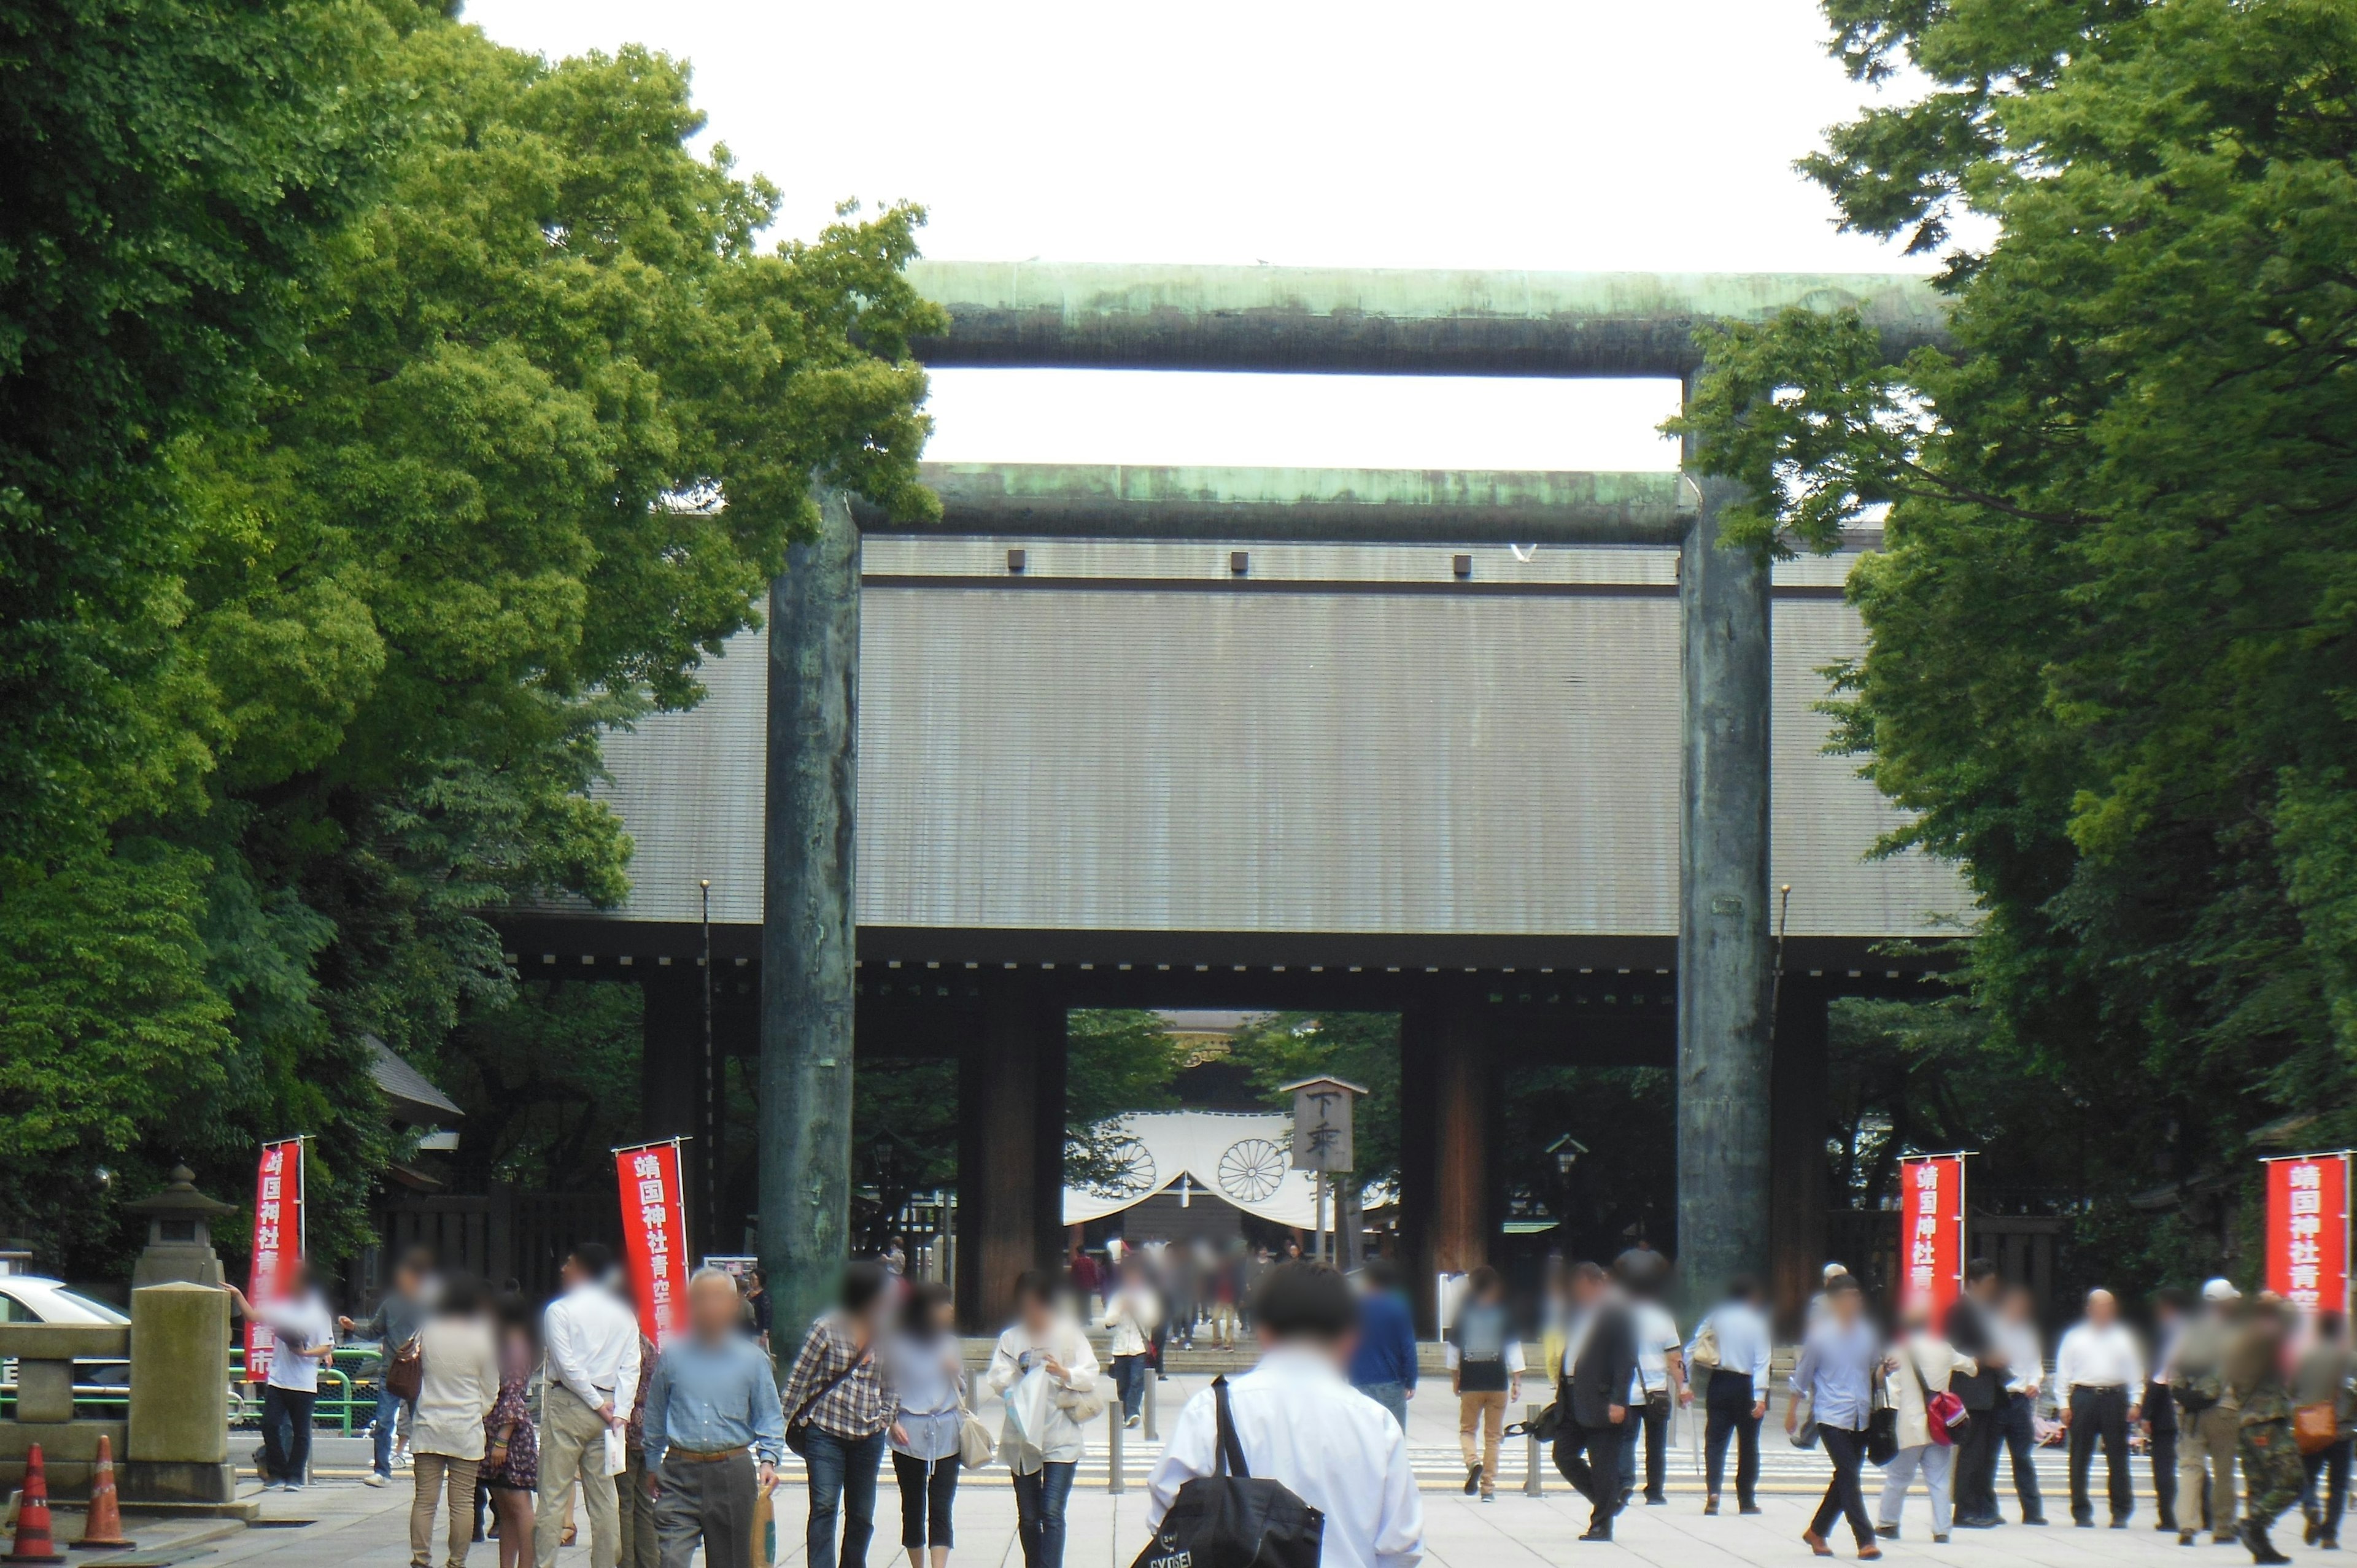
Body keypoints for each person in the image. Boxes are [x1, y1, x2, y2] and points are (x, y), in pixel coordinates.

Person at [1145, 1262, 1424, 1568]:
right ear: (1350, 1337)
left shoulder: (1210, 1409)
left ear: (1264, 1330)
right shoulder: (1376, 1424)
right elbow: (1401, 1547)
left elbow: (1168, 1516)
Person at [643, 1268, 786, 1568]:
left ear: (734, 1305)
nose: (709, 1306)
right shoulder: (672, 1355)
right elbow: (655, 1412)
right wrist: (653, 1462)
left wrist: (768, 1461)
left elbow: (769, 1416)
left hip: (732, 1472)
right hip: (680, 1472)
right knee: (671, 1558)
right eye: (700, 1299)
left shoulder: (752, 1360)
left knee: (731, 1561)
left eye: (717, 1298)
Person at [780, 1261, 898, 1568]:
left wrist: (885, 1417)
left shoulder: (885, 1332)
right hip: (826, 1431)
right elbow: (799, 1378)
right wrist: (780, 1422)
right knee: (824, 1506)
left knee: (861, 1513)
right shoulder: (827, 1327)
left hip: (869, 1435)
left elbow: (893, 1382)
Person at [533, 1242, 643, 1568]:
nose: (564, 1269)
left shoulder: (559, 1311)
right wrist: (619, 1411)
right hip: (609, 1410)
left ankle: (545, 1563)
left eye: (569, 1262)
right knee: (605, 1497)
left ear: (581, 1269)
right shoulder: (623, 1313)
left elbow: (567, 1367)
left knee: (553, 1494)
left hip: (570, 1405)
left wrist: (596, 1404)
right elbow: (631, 1365)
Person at [982, 1270, 1099, 1568]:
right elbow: (997, 1377)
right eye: (1025, 1305)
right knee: (1030, 1517)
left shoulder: (1068, 1334)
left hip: (1061, 1434)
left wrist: (1064, 1373)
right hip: (1022, 1436)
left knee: (1052, 1511)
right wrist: (1019, 1370)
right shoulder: (1012, 1338)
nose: (1032, 1312)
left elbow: (1091, 1372)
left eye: (1037, 1305)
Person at [408, 1275, 502, 1568]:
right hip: (466, 1428)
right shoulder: (482, 1336)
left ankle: (421, 1559)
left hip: (428, 1424)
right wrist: (477, 1411)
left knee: (425, 1500)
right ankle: (456, 1561)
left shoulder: (429, 1330)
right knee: (461, 1503)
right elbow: (491, 1389)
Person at [223, 1260, 338, 1493]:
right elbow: (253, 1317)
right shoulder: (282, 1307)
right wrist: (237, 1295)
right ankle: (277, 1472)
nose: (291, 1285)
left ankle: (295, 1476)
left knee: (301, 1431)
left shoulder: (319, 1314)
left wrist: (305, 1352)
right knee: (270, 1425)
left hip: (304, 1381)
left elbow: (328, 1346)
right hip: (279, 1377)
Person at [1789, 1273, 1881, 1559]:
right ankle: (1865, 1540)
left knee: (1846, 1476)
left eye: (1856, 1297)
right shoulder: (1820, 1336)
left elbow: (1874, 1371)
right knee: (1850, 1475)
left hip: (1861, 1414)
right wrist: (1791, 1411)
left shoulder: (1869, 1333)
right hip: (1830, 1415)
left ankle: (1817, 1531)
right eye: (1846, 1298)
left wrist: (1887, 1367)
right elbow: (1802, 1376)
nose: (1852, 1303)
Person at [1873, 1299, 1977, 1543]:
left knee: (1898, 1478)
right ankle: (1942, 1530)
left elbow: (1892, 1389)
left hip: (1908, 1426)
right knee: (1939, 1480)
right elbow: (1971, 1367)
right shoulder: (1944, 1348)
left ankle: (1888, 1524)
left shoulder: (1897, 1351)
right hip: (1940, 1426)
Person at [1552, 1260, 1635, 1542]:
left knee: (1604, 1465)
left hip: (1602, 1400)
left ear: (1598, 1284)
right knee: (1563, 1454)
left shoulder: (1617, 1314)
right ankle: (1609, 1503)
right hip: (1573, 1397)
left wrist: (1619, 1400)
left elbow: (1626, 1360)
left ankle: (1601, 1524)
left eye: (1583, 1289)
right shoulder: (1580, 1313)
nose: (1579, 1295)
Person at [886, 1281, 964, 1568]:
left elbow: (961, 1391)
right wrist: (892, 1422)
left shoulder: (950, 1344)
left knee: (942, 1506)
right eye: (943, 1303)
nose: (950, 1309)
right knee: (913, 1506)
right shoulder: (898, 1344)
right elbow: (888, 1388)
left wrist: (955, 1373)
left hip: (946, 1432)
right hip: (909, 1432)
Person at [2053, 1286, 2145, 1529]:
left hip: (2115, 1397)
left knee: (2118, 1457)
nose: (2106, 1311)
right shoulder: (2075, 1337)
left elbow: (2134, 1370)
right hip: (2084, 1396)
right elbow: (2064, 1372)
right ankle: (2081, 1511)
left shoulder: (2123, 1337)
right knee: (2080, 1457)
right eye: (2102, 1306)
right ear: (2090, 1310)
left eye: (2110, 1306)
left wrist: (2136, 1400)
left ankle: (2121, 1510)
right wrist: (2063, 1404)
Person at [345, 1246, 437, 1488]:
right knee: (385, 1422)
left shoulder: (429, 1306)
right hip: (392, 1372)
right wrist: (353, 1327)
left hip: (419, 1371)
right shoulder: (390, 1305)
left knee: (424, 1422)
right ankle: (382, 1471)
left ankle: (426, 1470)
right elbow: (374, 1331)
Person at [1689, 1274, 1772, 1515]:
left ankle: (1713, 1491)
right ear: (1752, 1297)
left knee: (1715, 1441)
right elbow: (1762, 1361)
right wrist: (1760, 1396)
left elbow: (1694, 1345)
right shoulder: (1758, 1322)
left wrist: (1685, 1382)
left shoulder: (1717, 1316)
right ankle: (1746, 1499)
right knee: (1748, 1443)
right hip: (1747, 1386)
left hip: (1720, 1382)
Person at [2173, 1276, 2245, 1546]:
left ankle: (2187, 1525)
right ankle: (2223, 1527)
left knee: (2191, 1467)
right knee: (2223, 1469)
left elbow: (2175, 1369)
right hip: (2224, 1409)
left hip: (2191, 1410)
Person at [2230, 1292, 2301, 1564]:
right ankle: (2253, 1524)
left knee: (2258, 1487)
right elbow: (2292, 1318)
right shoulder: (2261, 1335)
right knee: (2292, 1481)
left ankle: (2262, 1549)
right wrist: (2278, 1301)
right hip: (2267, 1420)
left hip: (2247, 1421)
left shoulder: (2239, 1337)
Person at [1444, 1265, 1522, 1502]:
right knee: (1493, 1436)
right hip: (1497, 1382)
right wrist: (1517, 1381)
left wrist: (1455, 1378)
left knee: (1468, 1430)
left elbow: (1454, 1351)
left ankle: (1473, 1461)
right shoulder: (1503, 1314)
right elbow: (1513, 1350)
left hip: (1471, 1382)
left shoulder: (1464, 1314)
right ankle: (1488, 1488)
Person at [1943, 1259, 2010, 1529]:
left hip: (1992, 1390)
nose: (1993, 1288)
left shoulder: (1987, 1310)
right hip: (1971, 1389)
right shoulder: (1959, 1310)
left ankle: (1984, 1505)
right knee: (1971, 1452)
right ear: (1974, 1283)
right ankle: (1965, 1509)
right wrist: (1985, 1360)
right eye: (1989, 1284)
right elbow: (1955, 1350)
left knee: (1988, 1453)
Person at [480, 1295, 541, 1568]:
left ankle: (526, 1564)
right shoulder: (508, 1344)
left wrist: (502, 1439)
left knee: (518, 1505)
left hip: (509, 1435)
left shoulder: (515, 1346)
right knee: (506, 1507)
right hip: (498, 1431)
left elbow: (513, 1396)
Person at [1616, 1265, 1681, 1507]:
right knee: (1656, 1444)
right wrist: (1683, 1386)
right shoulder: (1664, 1318)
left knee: (1625, 1440)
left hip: (1626, 1390)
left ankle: (1624, 1483)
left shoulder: (1621, 1317)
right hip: (1657, 1391)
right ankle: (1655, 1491)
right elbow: (1675, 1358)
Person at [2296, 1308, 2357, 1550]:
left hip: (2314, 1426)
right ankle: (2330, 1534)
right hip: (2343, 1428)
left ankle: (2311, 1505)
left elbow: (2292, 1389)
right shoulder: (2352, 1359)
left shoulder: (2307, 1358)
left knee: (2307, 1475)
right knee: (2338, 1484)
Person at [1992, 1283, 2049, 1525]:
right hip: (1997, 1398)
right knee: (1990, 1457)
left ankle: (2033, 1511)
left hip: (2020, 1400)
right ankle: (1989, 1508)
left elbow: (2035, 1365)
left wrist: (2036, 1382)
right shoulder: (1992, 1329)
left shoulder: (2028, 1333)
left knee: (2023, 1457)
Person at [1348, 1257, 1420, 1432]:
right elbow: (1408, 1347)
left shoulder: (1355, 1307)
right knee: (1393, 1437)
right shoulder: (1397, 1306)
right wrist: (1411, 1380)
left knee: (1363, 1437)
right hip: (1391, 1382)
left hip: (1359, 1380)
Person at [2148, 1287, 2190, 1534]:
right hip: (2194, 1405)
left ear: (2167, 1307)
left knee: (2164, 1464)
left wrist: (2146, 1412)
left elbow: (2161, 1376)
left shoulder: (2169, 1332)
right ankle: (2205, 1512)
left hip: (2167, 1407)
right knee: (2193, 1464)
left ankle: (2169, 1516)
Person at [1102, 1257, 1161, 1429]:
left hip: (1139, 1347)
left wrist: (1138, 1309)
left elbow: (1153, 1320)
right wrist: (1121, 1309)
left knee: (1137, 1380)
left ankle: (1133, 1412)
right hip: (1120, 1348)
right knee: (1122, 1385)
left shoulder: (1147, 1297)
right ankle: (1128, 1412)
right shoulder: (1119, 1297)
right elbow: (1108, 1321)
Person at [617, 1330, 659, 1568]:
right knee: (644, 1502)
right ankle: (650, 1562)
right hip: (647, 1429)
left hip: (625, 1428)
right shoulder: (649, 1346)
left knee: (624, 1501)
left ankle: (627, 1562)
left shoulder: (622, 1344)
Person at [740, 1269, 773, 1354]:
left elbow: (767, 1315)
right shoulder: (748, 1295)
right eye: (750, 1279)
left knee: (758, 1353)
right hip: (747, 1331)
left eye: (754, 1279)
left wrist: (765, 1334)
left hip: (758, 1332)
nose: (751, 1282)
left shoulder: (764, 1296)